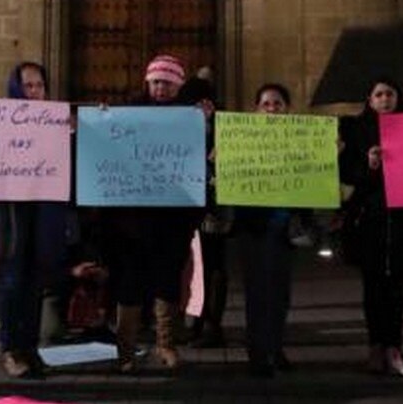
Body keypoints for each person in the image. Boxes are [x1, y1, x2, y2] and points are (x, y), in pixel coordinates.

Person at [106, 54, 201, 372]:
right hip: (133, 220)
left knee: (166, 281)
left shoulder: (191, 117)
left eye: (168, 83)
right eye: (156, 81)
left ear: (178, 86)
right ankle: (126, 350)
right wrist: (99, 122)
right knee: (130, 283)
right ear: (147, 83)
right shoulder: (128, 112)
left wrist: (208, 123)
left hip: (172, 218)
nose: (161, 88)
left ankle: (166, 343)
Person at [338, 77, 403, 377]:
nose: (385, 99)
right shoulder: (354, 131)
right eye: (379, 94)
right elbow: (349, 178)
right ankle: (376, 346)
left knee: (396, 290)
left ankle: (394, 346)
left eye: (391, 93)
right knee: (372, 288)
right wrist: (369, 166)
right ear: (369, 100)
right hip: (369, 222)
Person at [0, 62, 70, 379]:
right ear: (15, 88)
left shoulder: (54, 124)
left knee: (35, 283)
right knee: (11, 282)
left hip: (42, 215)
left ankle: (30, 346)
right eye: (28, 86)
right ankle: (11, 349)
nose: (34, 91)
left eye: (39, 85)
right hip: (12, 218)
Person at [234, 83, 298, 377]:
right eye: (266, 104)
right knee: (258, 292)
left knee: (281, 293)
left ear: (287, 109)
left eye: (277, 104)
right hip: (254, 227)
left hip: (285, 228)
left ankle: (276, 346)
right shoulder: (242, 139)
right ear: (256, 109)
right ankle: (258, 352)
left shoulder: (301, 139)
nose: (272, 109)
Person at [178, 75, 232, 349]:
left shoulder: (223, 127)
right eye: (195, 103)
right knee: (191, 267)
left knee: (213, 267)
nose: (202, 107)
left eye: (206, 101)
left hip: (214, 210)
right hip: (185, 207)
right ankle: (192, 322)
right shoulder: (180, 125)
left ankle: (212, 324)